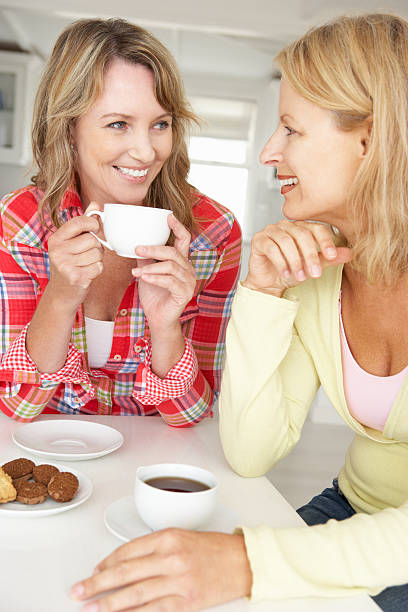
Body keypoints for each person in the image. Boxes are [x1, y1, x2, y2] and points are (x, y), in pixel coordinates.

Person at [70, 12, 408, 612]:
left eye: (291, 129)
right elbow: (251, 453)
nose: (268, 152)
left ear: (371, 138)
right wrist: (262, 292)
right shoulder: (317, 270)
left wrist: (249, 562)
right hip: (348, 512)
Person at [0, 18, 241, 424]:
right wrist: (60, 297)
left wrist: (166, 328)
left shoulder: (212, 233)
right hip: (52, 452)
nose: (146, 152)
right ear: (68, 130)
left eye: (160, 124)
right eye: (118, 124)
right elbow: (17, 405)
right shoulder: (19, 223)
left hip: (153, 467)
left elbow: (193, 414)